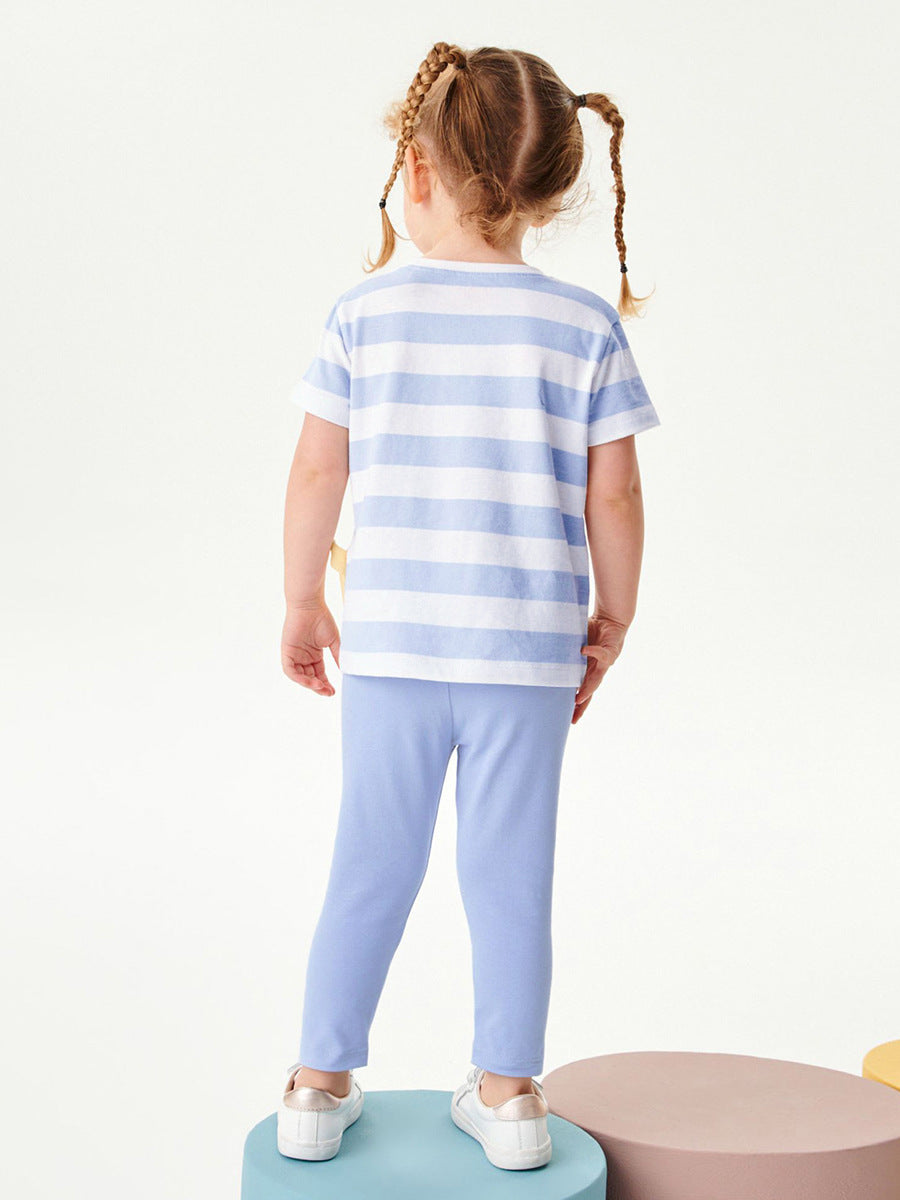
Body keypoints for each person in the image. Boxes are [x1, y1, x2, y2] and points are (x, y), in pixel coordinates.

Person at [276, 42, 661, 1171]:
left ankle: (316, 1087)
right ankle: (510, 1097)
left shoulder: (365, 313)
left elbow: (317, 471)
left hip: (393, 647)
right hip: (527, 657)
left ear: (418, 168)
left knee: (369, 863)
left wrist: (302, 602)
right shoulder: (583, 326)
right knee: (509, 879)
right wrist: (615, 619)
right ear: (551, 186)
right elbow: (616, 493)